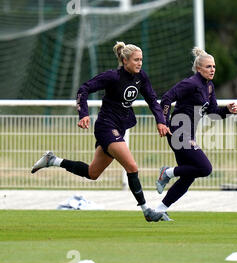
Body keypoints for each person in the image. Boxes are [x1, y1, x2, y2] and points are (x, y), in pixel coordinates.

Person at [31, 41, 171, 222]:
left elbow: (152, 100)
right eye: (136, 60)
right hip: (106, 127)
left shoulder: (141, 77)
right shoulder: (112, 77)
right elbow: (84, 89)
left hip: (119, 128)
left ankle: (53, 160)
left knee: (92, 173)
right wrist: (83, 114)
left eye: (141, 60)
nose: (139, 63)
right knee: (132, 167)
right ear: (125, 60)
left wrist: (161, 121)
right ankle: (146, 211)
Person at [154, 47, 237, 221]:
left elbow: (213, 112)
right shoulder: (191, 83)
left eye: (214, 66)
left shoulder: (209, 87)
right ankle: (167, 172)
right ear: (199, 69)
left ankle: (159, 210)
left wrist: (228, 111)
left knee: (188, 177)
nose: (212, 69)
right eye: (208, 66)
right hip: (178, 131)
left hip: (188, 133)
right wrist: (163, 121)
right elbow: (167, 98)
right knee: (205, 168)